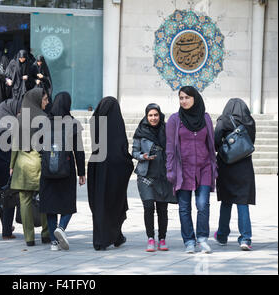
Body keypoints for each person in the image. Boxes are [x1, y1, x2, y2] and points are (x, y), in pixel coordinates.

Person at [166, 86, 218, 254]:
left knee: (203, 204)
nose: (184, 101)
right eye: (181, 98)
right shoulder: (175, 120)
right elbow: (169, 148)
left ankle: (202, 239)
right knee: (184, 206)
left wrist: (214, 166)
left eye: (187, 97)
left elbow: (211, 145)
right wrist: (170, 169)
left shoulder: (206, 118)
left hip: (204, 168)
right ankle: (189, 240)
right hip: (183, 169)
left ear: (195, 98)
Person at [39, 92, 86, 251]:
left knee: (50, 205)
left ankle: (54, 242)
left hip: (47, 168)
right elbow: (79, 150)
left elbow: (38, 145)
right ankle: (62, 227)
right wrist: (81, 172)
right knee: (67, 203)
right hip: (67, 168)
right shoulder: (72, 123)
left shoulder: (44, 121)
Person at [87, 96, 134, 251]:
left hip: (97, 167)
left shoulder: (96, 124)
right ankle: (113, 236)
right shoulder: (116, 125)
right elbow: (122, 150)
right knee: (115, 204)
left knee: (100, 204)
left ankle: (104, 238)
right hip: (115, 170)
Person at [132, 103, 176, 252]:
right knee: (149, 206)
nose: (153, 118)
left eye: (155, 115)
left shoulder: (166, 130)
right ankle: (150, 238)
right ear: (146, 116)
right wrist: (142, 156)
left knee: (162, 209)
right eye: (150, 115)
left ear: (160, 115)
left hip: (163, 176)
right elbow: (134, 151)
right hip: (145, 176)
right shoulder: (140, 131)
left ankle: (162, 238)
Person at [214, 98, 256, 251]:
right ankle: (245, 238)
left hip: (227, 166)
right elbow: (250, 143)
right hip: (245, 167)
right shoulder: (250, 122)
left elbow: (215, 142)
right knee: (242, 202)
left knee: (226, 201)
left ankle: (222, 235)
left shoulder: (223, 121)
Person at [10, 88, 50, 246]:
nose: (47, 102)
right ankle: (46, 233)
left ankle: (29, 237)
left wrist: (11, 165)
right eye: (45, 99)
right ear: (37, 100)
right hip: (39, 163)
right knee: (45, 199)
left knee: (25, 201)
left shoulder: (19, 119)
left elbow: (14, 145)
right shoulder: (44, 118)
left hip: (22, 164)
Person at [0, 98, 22, 240]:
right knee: (9, 198)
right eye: (19, 111)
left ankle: (6, 227)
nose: (20, 114)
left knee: (2, 198)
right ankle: (6, 231)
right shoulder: (11, 127)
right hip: (8, 167)